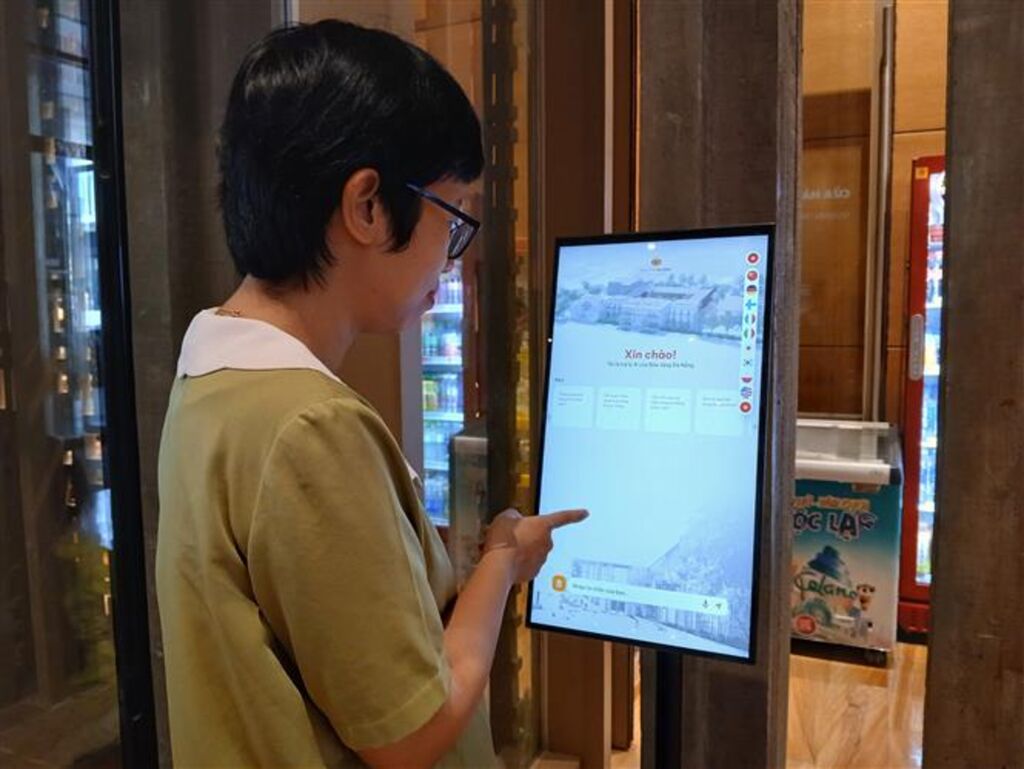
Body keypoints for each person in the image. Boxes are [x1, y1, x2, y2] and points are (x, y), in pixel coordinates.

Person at [155, 20, 587, 769]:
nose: (451, 260)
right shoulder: (310, 427)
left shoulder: (211, 376)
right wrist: (501, 562)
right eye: (453, 218)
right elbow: (409, 731)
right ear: (367, 206)